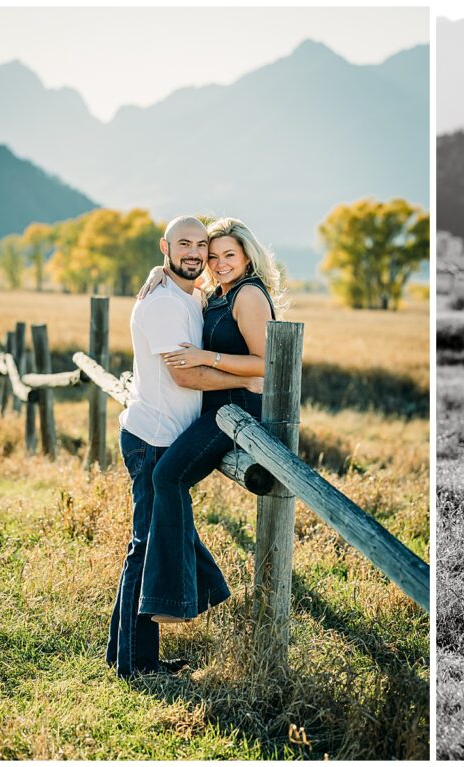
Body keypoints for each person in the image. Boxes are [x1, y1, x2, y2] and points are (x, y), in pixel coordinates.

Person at [106, 215, 265, 679]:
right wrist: (250, 378)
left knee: (149, 542)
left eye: (205, 247)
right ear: (165, 247)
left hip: (163, 434)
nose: (198, 254)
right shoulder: (161, 303)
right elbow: (184, 374)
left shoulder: (190, 294)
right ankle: (137, 664)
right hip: (152, 438)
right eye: (186, 245)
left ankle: (128, 655)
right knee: (146, 544)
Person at [136, 216, 284, 626]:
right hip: (216, 408)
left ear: (247, 257)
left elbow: (267, 365)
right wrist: (158, 270)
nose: (217, 262)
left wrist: (206, 358)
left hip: (234, 410)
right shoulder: (218, 293)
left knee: (167, 477)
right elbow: (182, 285)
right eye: (212, 254)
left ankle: (176, 600)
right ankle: (205, 587)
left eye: (228, 255)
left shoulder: (248, 296)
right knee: (166, 480)